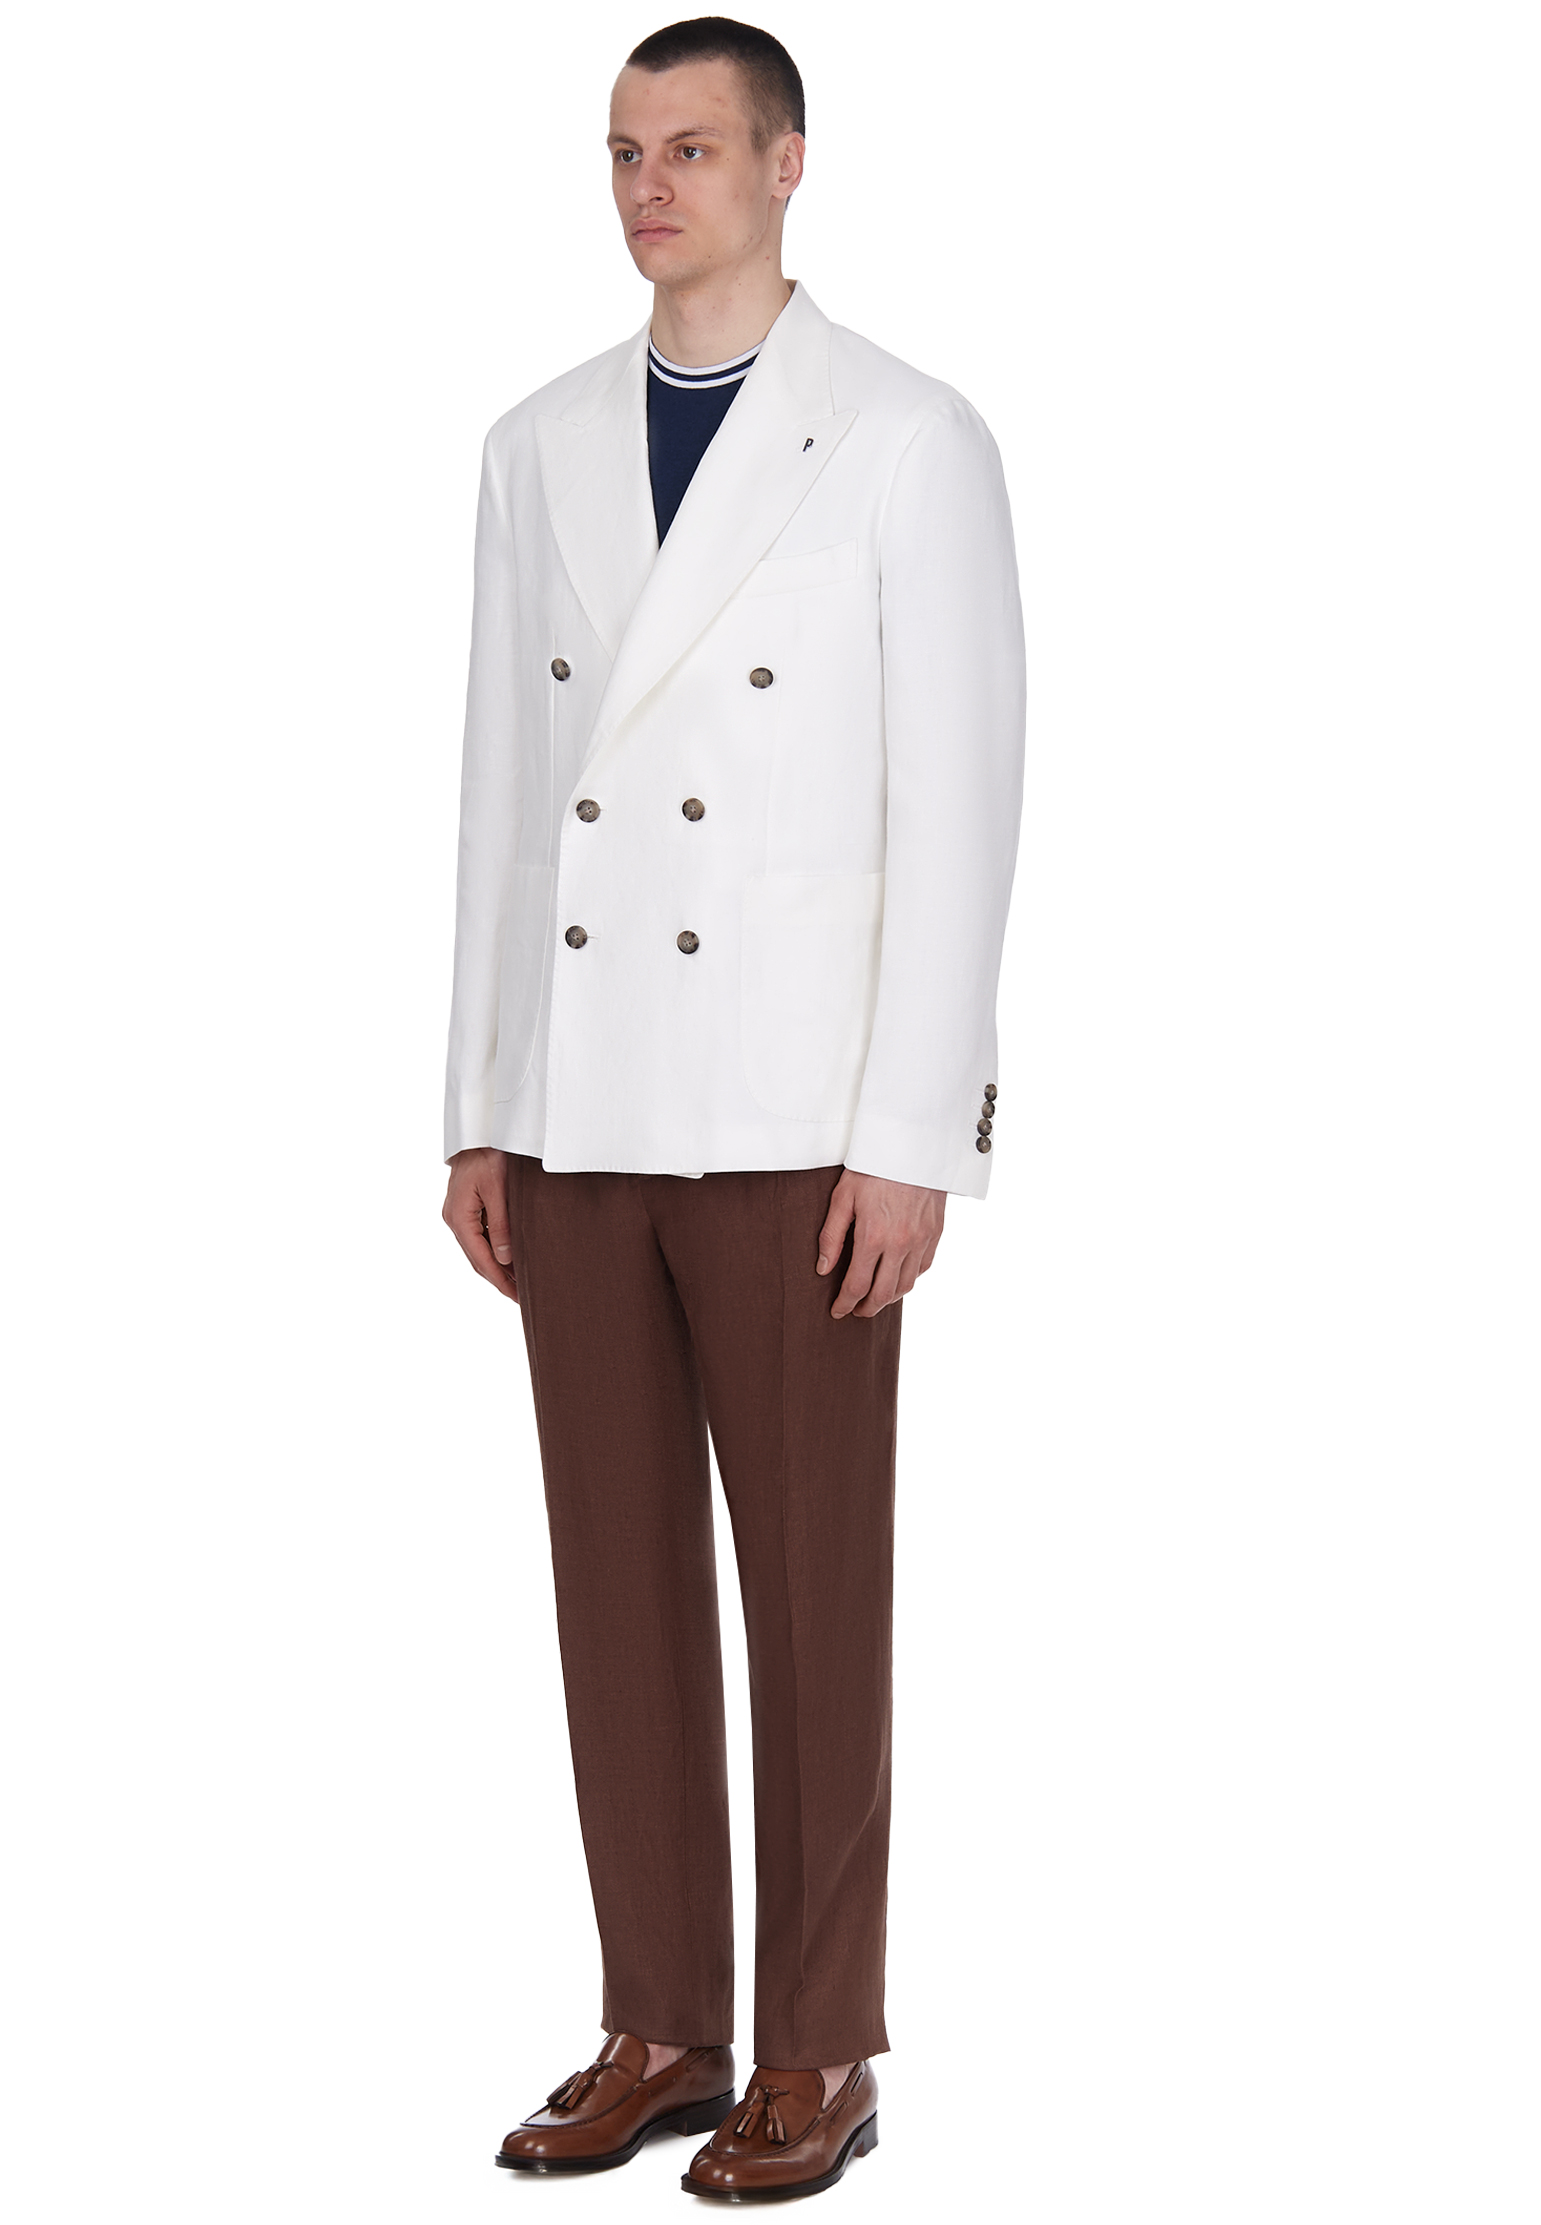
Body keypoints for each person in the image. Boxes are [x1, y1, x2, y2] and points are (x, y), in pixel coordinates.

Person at [441, 15, 1024, 2202]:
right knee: (615, 1588)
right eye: (622, 152)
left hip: (798, 1118)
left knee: (810, 1592)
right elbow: (507, 796)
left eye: (691, 147)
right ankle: (663, 2019)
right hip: (583, 1102)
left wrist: (916, 1132)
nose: (647, 186)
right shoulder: (534, 443)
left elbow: (959, 801)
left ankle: (821, 2043)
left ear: (789, 164)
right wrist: (480, 1099)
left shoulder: (905, 436)